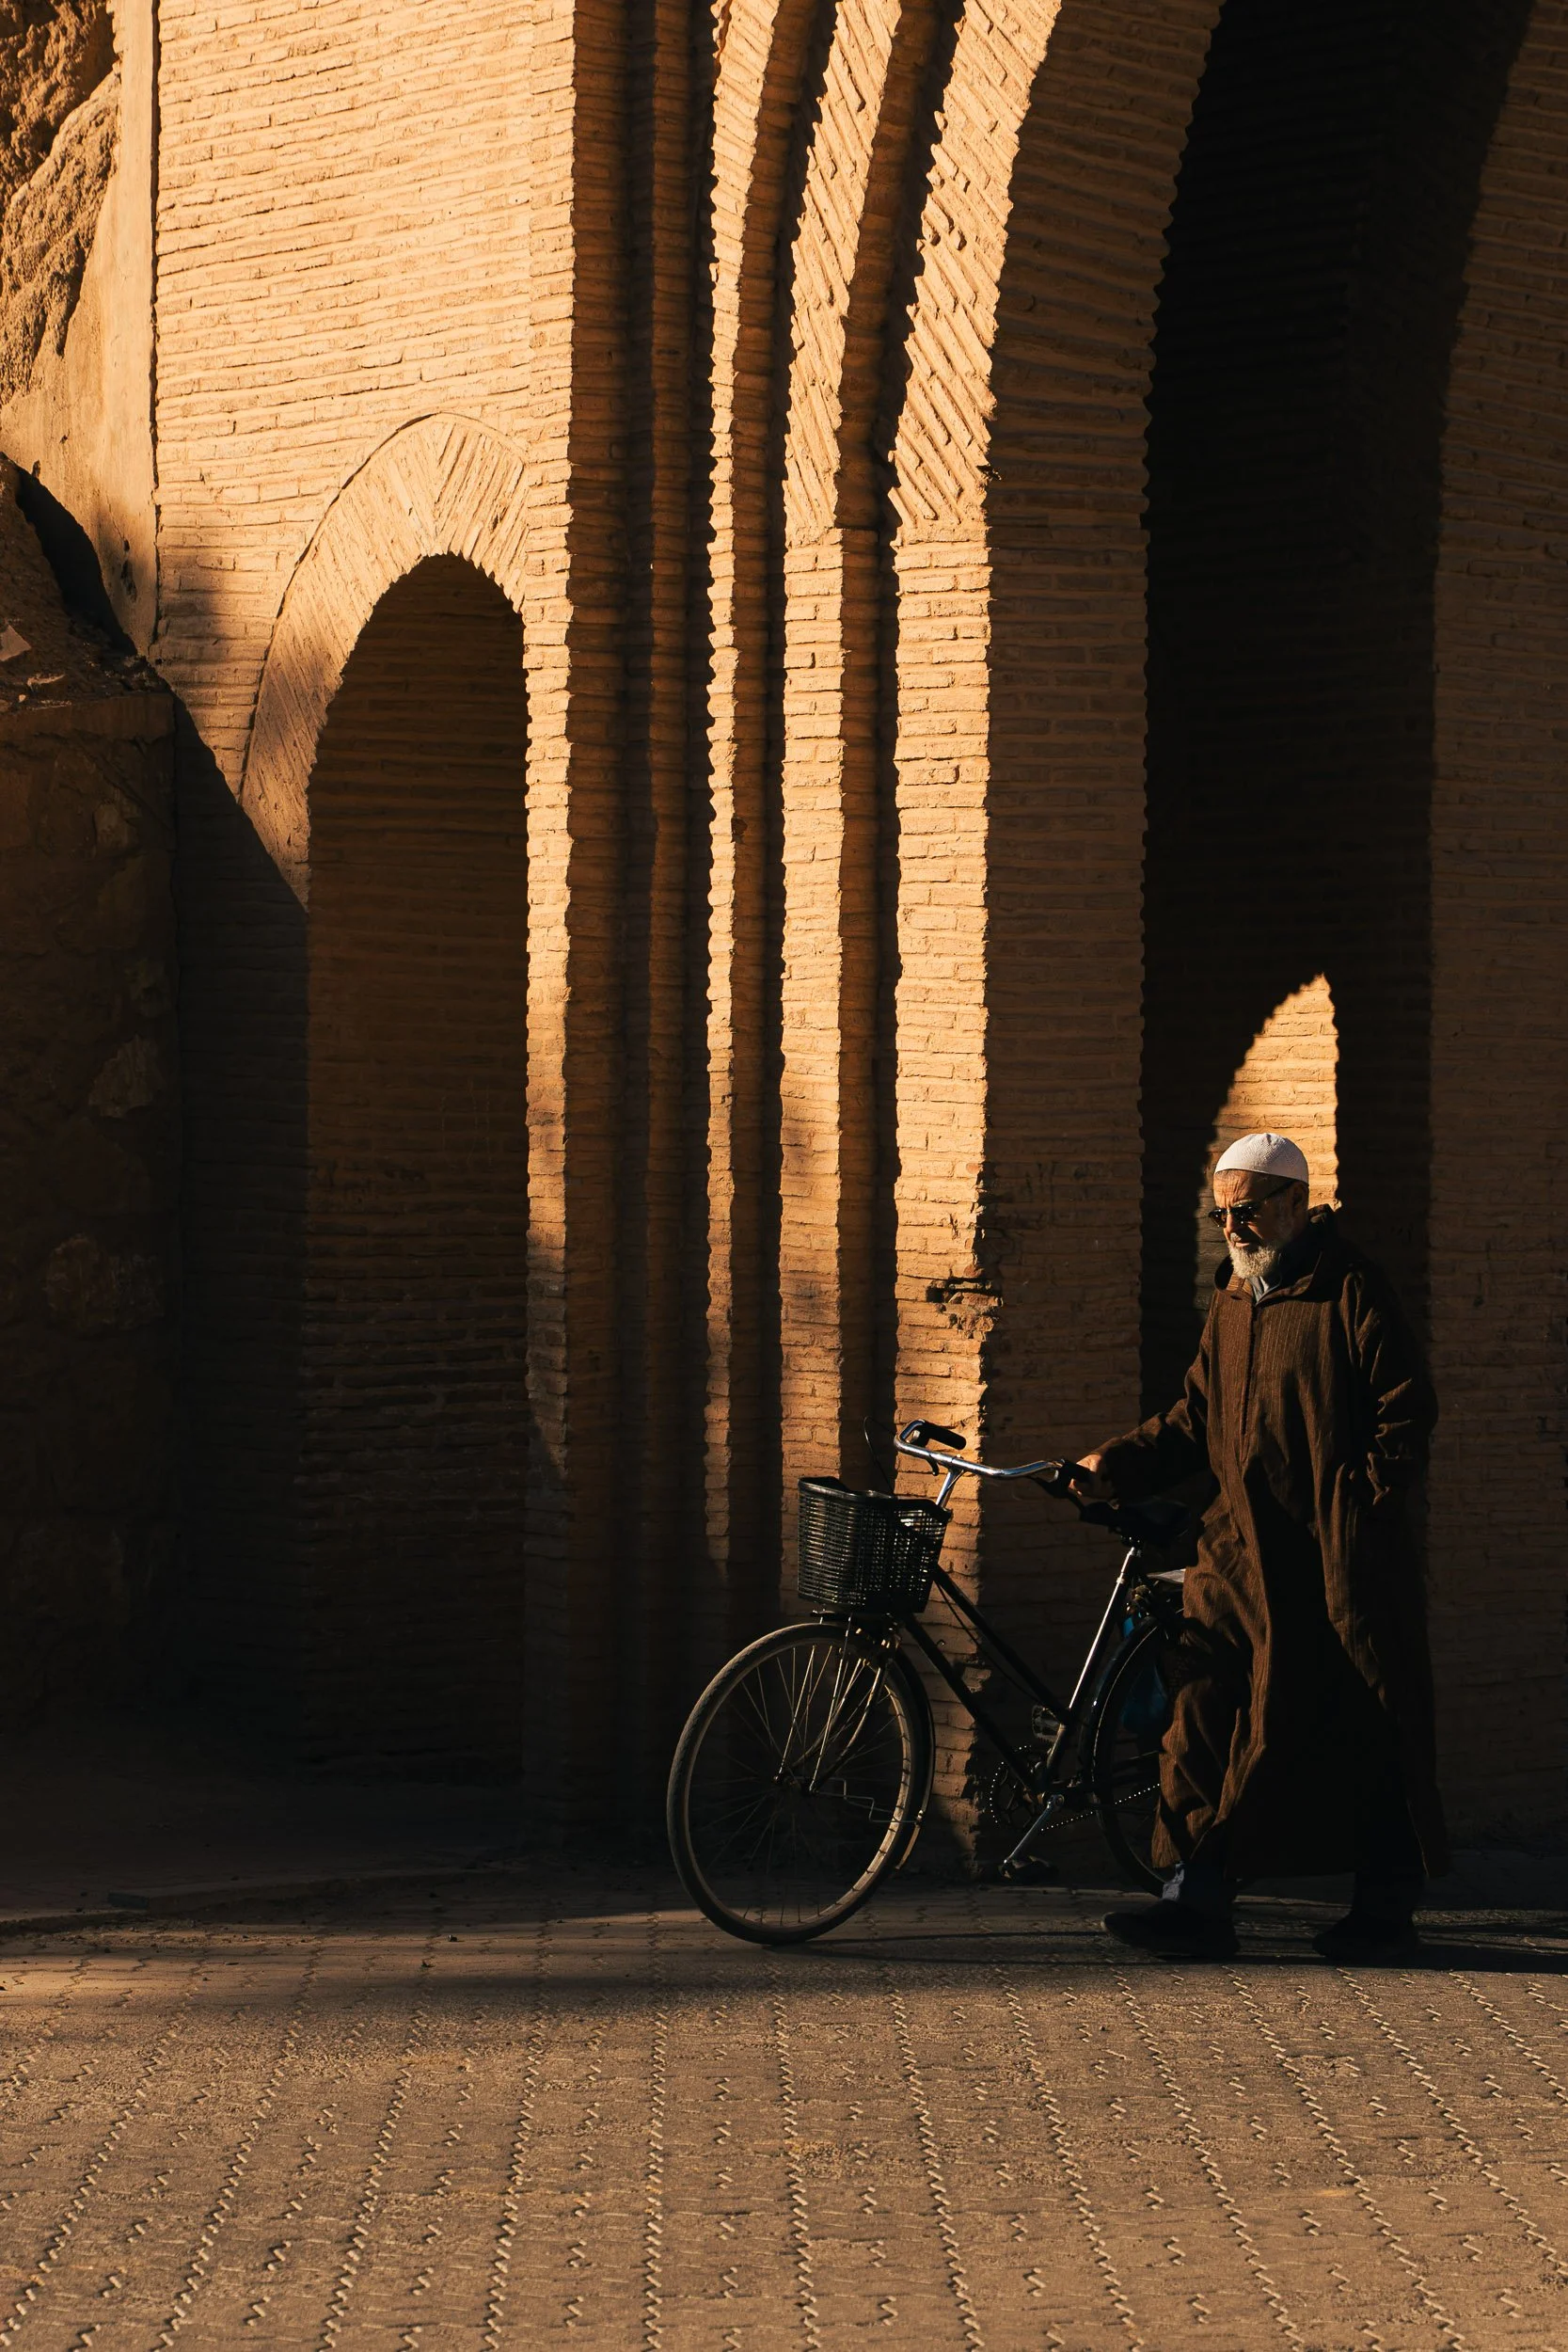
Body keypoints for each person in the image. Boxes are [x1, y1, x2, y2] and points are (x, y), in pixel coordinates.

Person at [1072, 1132, 1446, 1962]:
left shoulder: (1349, 1290)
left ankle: (1383, 1913)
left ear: (1295, 1205)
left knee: (1361, 1726)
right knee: (1201, 1716)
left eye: (1245, 1211)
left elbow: (1405, 1410)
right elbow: (1194, 1418)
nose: (1232, 1228)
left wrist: (1355, 1507)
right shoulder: (1233, 1301)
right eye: (1220, 1215)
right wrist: (1115, 1465)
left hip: (1332, 1563)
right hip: (1237, 1557)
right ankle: (1191, 1902)